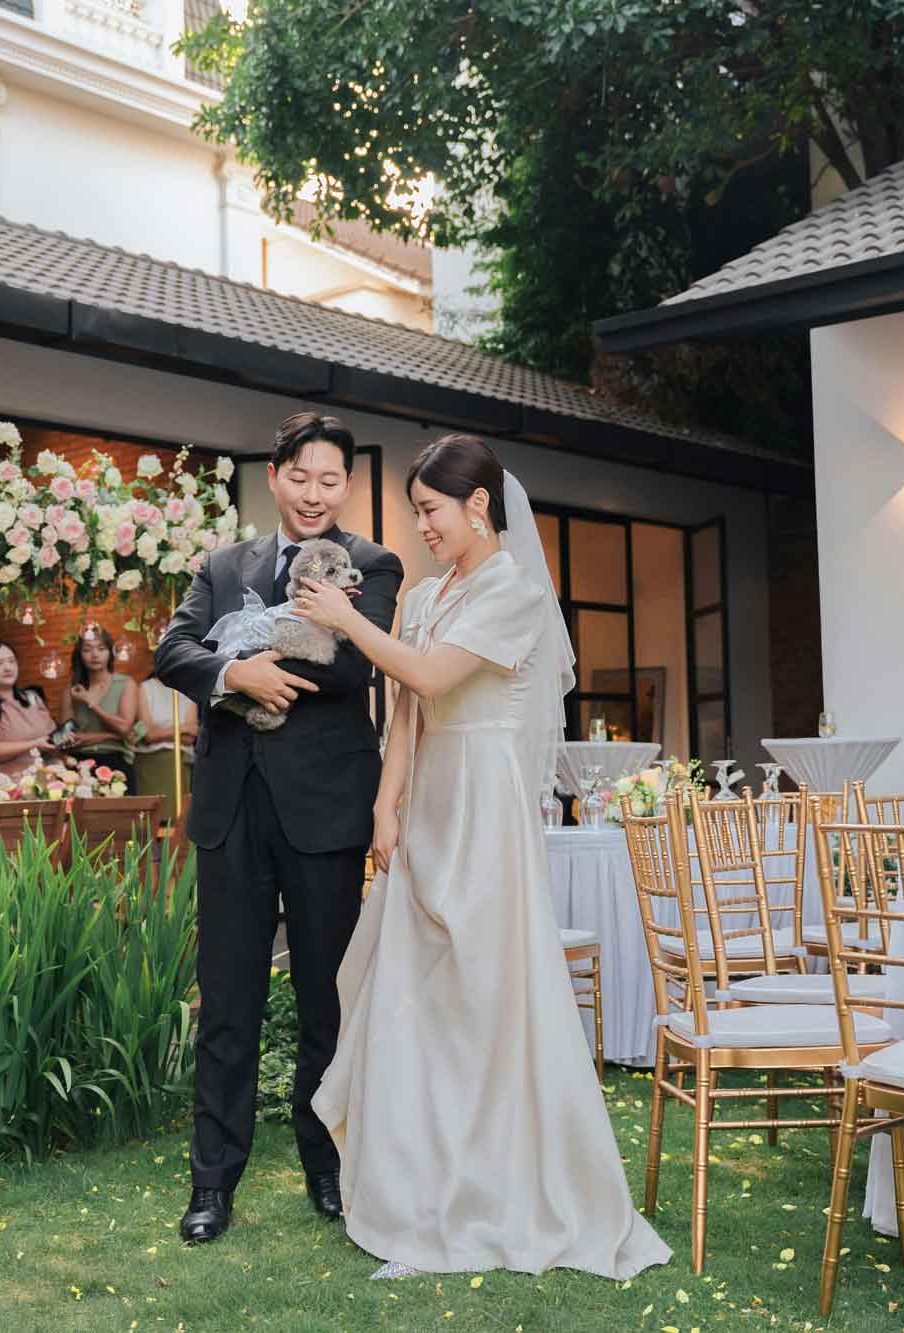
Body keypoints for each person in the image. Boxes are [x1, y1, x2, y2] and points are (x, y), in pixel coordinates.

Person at [291, 434, 671, 1280]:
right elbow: (406, 710)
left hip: (484, 804)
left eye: (431, 510)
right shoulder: (426, 594)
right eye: (416, 511)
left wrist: (348, 620)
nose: (423, 526)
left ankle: (492, 1188)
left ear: (478, 505)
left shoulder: (517, 592)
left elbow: (432, 676)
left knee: (479, 994)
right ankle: (416, 1187)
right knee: (412, 995)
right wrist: (386, 804)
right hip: (427, 798)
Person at [154, 411, 403, 1244]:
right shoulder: (223, 564)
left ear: (346, 485)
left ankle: (327, 1166)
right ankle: (211, 1184)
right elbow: (172, 651)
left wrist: (273, 668)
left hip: (326, 810)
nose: (313, 493)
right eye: (300, 477)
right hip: (230, 809)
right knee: (228, 1002)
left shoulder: (372, 564)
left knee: (328, 1000)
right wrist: (236, 672)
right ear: (273, 476)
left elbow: (359, 662)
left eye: (329, 480)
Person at [0, 642, 59, 777]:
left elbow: (50, 738)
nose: (8, 668)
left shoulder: (32, 697)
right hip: (2, 783)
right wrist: (34, 744)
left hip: (40, 780)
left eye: (11, 661)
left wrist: (63, 741)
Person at [66, 624, 141, 785]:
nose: (95, 655)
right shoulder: (72, 690)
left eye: (101, 649)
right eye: (87, 650)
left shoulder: (126, 684)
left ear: (110, 652)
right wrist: (112, 736)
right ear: (79, 654)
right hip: (79, 766)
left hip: (116, 761)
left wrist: (91, 703)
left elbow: (124, 728)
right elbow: (68, 739)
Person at [133, 667, 196, 806]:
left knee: (178, 813)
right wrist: (183, 728)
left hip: (181, 760)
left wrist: (160, 733)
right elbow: (148, 735)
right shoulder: (145, 688)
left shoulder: (189, 690)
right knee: (154, 813)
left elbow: (190, 738)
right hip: (150, 761)